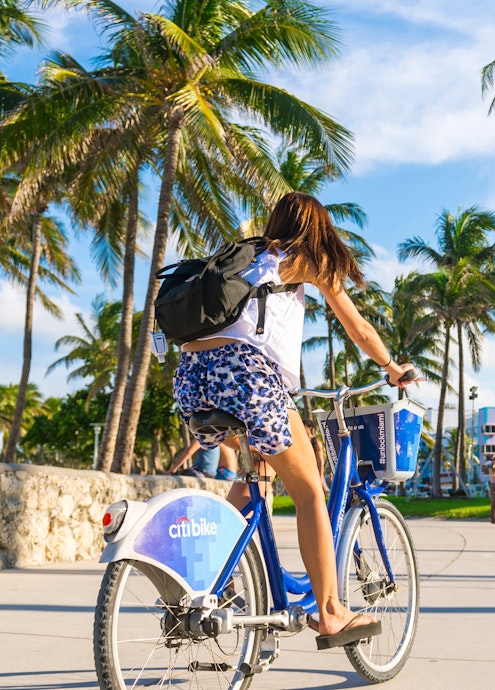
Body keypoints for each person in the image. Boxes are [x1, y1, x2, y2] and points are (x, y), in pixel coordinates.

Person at [173, 192, 415, 650]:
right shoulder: (305, 260)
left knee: (255, 480)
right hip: (246, 376)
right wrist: (391, 367)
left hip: (191, 379)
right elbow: (359, 329)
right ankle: (330, 613)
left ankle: (213, 579)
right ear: (316, 228)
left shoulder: (245, 257)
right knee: (309, 493)